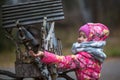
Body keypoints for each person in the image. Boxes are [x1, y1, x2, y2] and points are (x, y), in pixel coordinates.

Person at [29, 23, 110, 80]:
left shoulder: (82, 57)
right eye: (79, 36)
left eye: (84, 37)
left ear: (92, 40)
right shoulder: (96, 54)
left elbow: (64, 61)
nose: (80, 38)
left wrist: (44, 54)